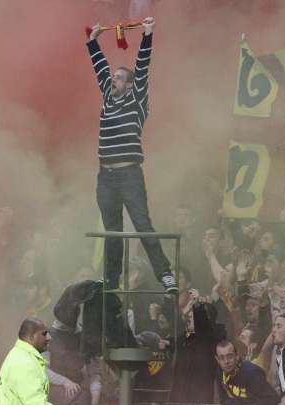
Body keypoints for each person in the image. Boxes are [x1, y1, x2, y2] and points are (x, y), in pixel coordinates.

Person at [86, 17, 178, 293]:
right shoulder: (108, 97)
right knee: (112, 231)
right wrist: (93, 40)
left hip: (129, 174)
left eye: (119, 78)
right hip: (106, 176)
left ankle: (165, 274)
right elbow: (99, 68)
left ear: (129, 85)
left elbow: (142, 67)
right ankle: (111, 281)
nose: (113, 79)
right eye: (113, 77)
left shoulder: (136, 101)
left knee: (142, 224)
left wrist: (147, 34)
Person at [0, 317, 56, 405]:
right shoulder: (23, 363)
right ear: (31, 337)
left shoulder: (21, 355)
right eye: (44, 334)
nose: (49, 337)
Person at [215, 340, 279, 405]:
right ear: (217, 359)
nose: (226, 361)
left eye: (230, 356)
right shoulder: (220, 372)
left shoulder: (251, 373)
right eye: (222, 358)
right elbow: (223, 399)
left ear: (237, 356)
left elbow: (273, 399)